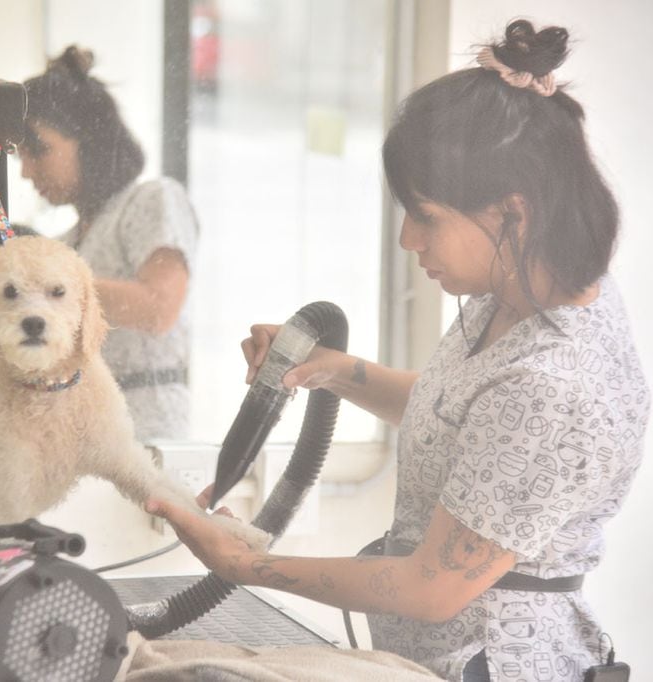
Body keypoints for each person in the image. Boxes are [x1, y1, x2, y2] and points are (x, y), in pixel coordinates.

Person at [145, 19, 648, 682]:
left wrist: (241, 565)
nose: (409, 241)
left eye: (426, 216)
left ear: (512, 215)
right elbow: (470, 422)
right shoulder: (516, 292)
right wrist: (337, 373)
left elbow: (430, 586)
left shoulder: (556, 382)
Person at [15, 45, 200, 443]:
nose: (27, 172)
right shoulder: (66, 245)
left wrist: (38, 280)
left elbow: (159, 308)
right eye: (21, 158)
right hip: (78, 438)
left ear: (89, 141)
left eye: (39, 152)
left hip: (147, 439)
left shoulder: (153, 199)